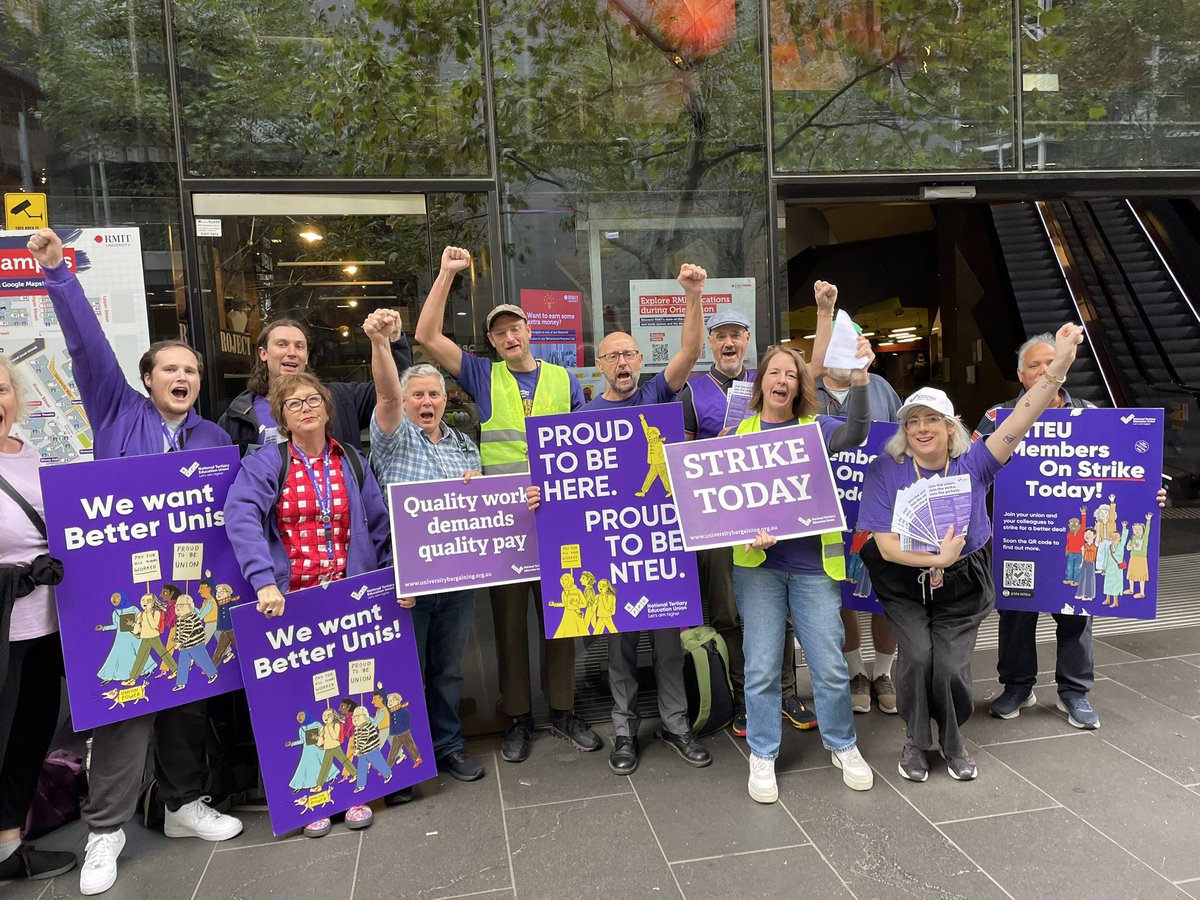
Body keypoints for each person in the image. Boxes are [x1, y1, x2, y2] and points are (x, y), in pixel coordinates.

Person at [26, 228, 244, 897]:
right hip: (125, 602)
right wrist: (60, 274)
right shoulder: (117, 412)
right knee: (125, 711)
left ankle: (182, 807)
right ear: (147, 379)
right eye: (170, 369)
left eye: (192, 372)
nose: (183, 378)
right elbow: (87, 348)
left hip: (189, 598)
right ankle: (105, 831)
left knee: (186, 704)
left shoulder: (213, 439)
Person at [858, 323, 1084, 784]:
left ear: (949, 426)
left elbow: (1022, 417)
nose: (922, 429)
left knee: (952, 666)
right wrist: (934, 560)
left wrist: (1058, 364)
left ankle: (953, 737)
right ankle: (917, 740)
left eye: (932, 420)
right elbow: (885, 545)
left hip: (964, 578)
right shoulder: (887, 469)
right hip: (904, 577)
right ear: (905, 430)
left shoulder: (976, 460)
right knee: (918, 657)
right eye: (913, 421)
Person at [414, 246, 599, 763]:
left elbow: (586, 449)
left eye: (515, 328)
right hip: (506, 524)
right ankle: (517, 715)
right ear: (492, 341)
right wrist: (448, 274)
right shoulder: (481, 375)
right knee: (510, 624)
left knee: (564, 616)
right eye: (499, 333)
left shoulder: (565, 381)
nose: (509, 338)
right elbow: (427, 337)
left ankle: (562, 709)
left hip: (560, 518)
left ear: (529, 330)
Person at [224, 370, 393, 837]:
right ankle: (312, 796)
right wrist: (262, 580)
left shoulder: (352, 460)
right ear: (281, 417)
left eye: (313, 399)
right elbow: (240, 517)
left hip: (347, 598)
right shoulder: (265, 463)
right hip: (291, 602)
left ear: (326, 406)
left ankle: (354, 791)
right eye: (294, 404)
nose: (306, 408)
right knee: (304, 701)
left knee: (352, 696)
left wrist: (389, 581)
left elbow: (378, 528)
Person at [677, 291, 836, 735]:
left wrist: (824, 313)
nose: (729, 342)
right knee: (728, 612)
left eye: (736, 334)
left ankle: (786, 691)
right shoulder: (692, 390)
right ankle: (745, 694)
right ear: (710, 343)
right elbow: (683, 459)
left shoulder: (768, 379)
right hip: (720, 524)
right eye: (720, 335)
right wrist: (720, 443)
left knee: (777, 606)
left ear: (747, 340)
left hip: (774, 518)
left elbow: (814, 372)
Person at [579, 261, 711, 776]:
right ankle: (624, 731)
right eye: (611, 356)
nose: (621, 363)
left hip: (661, 545)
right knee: (619, 650)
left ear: (640, 360)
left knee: (667, 643)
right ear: (600, 365)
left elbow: (691, 351)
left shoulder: (658, 394)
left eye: (629, 354)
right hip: (611, 550)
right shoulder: (584, 417)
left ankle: (676, 725)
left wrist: (693, 295)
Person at [733, 343, 876, 804]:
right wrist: (745, 529)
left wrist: (859, 382)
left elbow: (856, 433)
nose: (781, 380)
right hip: (759, 569)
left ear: (800, 386)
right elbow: (723, 503)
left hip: (813, 567)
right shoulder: (741, 432)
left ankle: (842, 744)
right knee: (760, 667)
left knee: (831, 666)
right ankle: (762, 751)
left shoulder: (816, 428)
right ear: (761, 383)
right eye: (773, 372)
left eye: (791, 375)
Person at [366, 307, 487, 791]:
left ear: (445, 398)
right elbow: (385, 393)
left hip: (456, 579)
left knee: (448, 671)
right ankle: (401, 764)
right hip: (405, 579)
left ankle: (448, 746)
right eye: (417, 394)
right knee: (403, 672)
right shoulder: (393, 438)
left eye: (434, 393)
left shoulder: (463, 445)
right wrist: (380, 344)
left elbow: (483, 509)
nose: (425, 401)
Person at [974, 332, 1100, 730]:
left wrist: (1149, 495)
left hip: (1073, 537)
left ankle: (1074, 693)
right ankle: (1017, 687)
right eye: (1034, 365)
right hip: (1020, 535)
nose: (1044, 370)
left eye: (1051, 362)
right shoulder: (997, 418)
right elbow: (973, 470)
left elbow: (1118, 473)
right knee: (1015, 613)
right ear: (1020, 375)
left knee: (1076, 613)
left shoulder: (1092, 415)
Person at [0, 353, 76, 885]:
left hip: (46, 623)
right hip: (3, 628)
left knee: (31, 733)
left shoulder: (33, 455)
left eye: (1, 389)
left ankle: (7, 848)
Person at [815, 357, 902, 717]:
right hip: (827, 511)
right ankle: (856, 674)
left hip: (877, 507)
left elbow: (903, 440)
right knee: (841, 592)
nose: (841, 357)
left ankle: (883, 673)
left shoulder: (881, 388)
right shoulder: (807, 390)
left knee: (884, 592)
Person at [218, 314, 411, 454]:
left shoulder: (341, 398)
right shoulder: (238, 416)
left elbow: (392, 391)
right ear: (263, 354)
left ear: (307, 357)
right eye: (282, 344)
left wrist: (392, 341)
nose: (292, 352)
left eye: (299, 346)